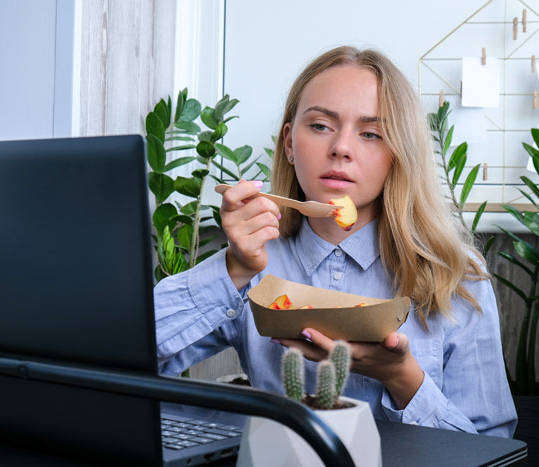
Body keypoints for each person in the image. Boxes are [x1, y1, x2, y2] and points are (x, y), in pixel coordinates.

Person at [154, 46, 517, 438]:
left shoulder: (457, 276)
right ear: (290, 144)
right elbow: (119, 361)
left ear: (399, 154)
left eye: (371, 133)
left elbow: (492, 447)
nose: (341, 148)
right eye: (321, 126)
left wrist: (403, 379)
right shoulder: (254, 263)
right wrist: (234, 269)